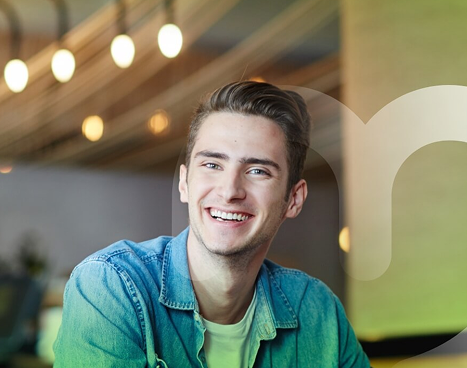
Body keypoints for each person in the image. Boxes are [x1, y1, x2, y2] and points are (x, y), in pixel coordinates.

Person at [53, 81, 371, 367]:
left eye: (258, 171)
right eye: (212, 164)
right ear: (184, 182)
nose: (230, 191)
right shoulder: (112, 286)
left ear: (294, 199)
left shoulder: (318, 311)